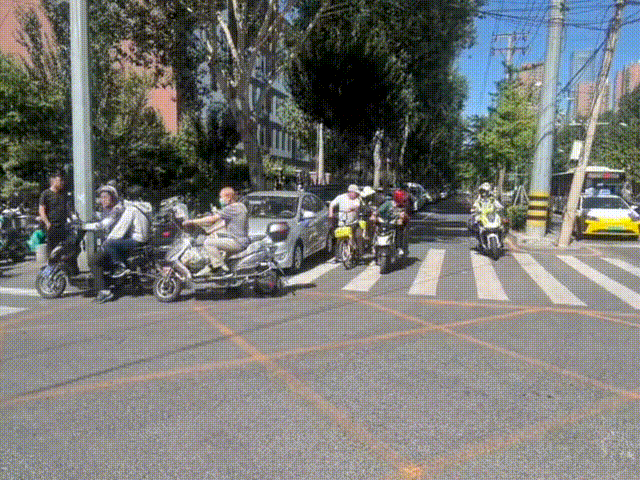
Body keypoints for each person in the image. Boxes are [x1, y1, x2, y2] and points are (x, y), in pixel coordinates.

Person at [85, 185, 152, 303]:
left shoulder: (121, 209)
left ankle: (105, 289)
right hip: (138, 239)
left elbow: (118, 228)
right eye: (101, 197)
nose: (102, 200)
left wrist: (107, 241)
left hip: (131, 240)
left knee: (94, 260)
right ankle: (117, 282)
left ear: (114, 197)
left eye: (106, 197)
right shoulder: (144, 206)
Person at [182, 187, 250, 275]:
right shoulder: (241, 206)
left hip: (236, 242)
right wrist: (211, 231)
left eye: (221, 197)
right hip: (243, 240)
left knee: (208, 243)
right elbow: (224, 223)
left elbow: (212, 219)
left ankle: (219, 268)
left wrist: (192, 221)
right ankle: (222, 274)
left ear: (228, 197)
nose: (220, 199)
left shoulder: (230, 208)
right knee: (225, 260)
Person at [38, 170, 69, 260]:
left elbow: (67, 208)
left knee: (64, 250)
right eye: (60, 180)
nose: (62, 182)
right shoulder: (46, 194)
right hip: (53, 226)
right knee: (53, 252)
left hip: (64, 226)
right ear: (53, 181)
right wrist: (47, 223)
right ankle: (52, 265)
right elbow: (41, 210)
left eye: (63, 180)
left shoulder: (63, 194)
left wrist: (71, 218)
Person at [329, 184, 364, 257]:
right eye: (355, 193)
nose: (356, 195)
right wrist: (331, 214)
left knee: (359, 236)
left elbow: (357, 206)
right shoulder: (341, 197)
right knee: (339, 238)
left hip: (354, 223)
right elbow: (331, 204)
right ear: (350, 192)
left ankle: (360, 253)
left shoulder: (357, 199)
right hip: (343, 223)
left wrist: (352, 208)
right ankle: (340, 254)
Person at [377, 188, 410, 256]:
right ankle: (374, 246)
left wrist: (403, 217)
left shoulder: (403, 206)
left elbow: (406, 217)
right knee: (377, 229)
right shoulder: (388, 204)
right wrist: (376, 215)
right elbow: (379, 211)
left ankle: (399, 247)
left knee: (400, 232)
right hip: (385, 223)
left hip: (395, 225)